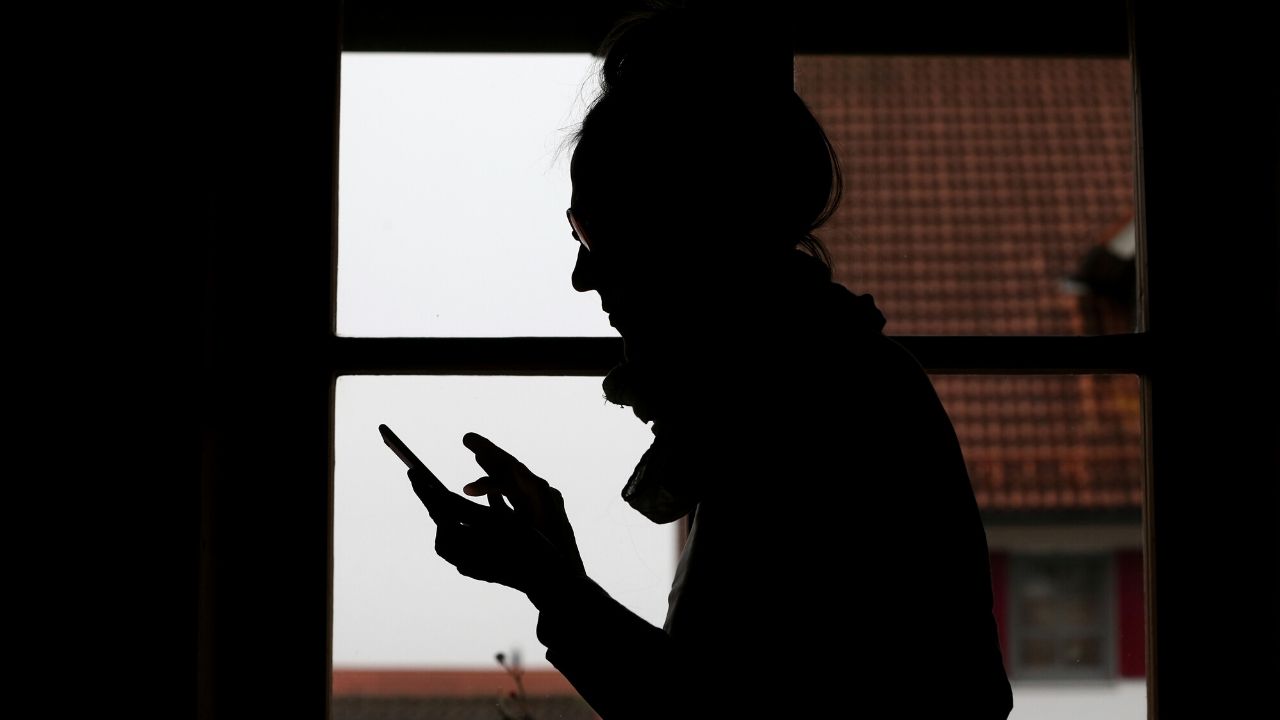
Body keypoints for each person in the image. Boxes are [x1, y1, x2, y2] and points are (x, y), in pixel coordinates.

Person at [405, 5, 1013, 718]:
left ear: (681, 233)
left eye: (593, 231)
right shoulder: (812, 384)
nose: (580, 275)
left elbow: (702, 711)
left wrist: (553, 584)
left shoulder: (793, 414)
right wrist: (554, 578)